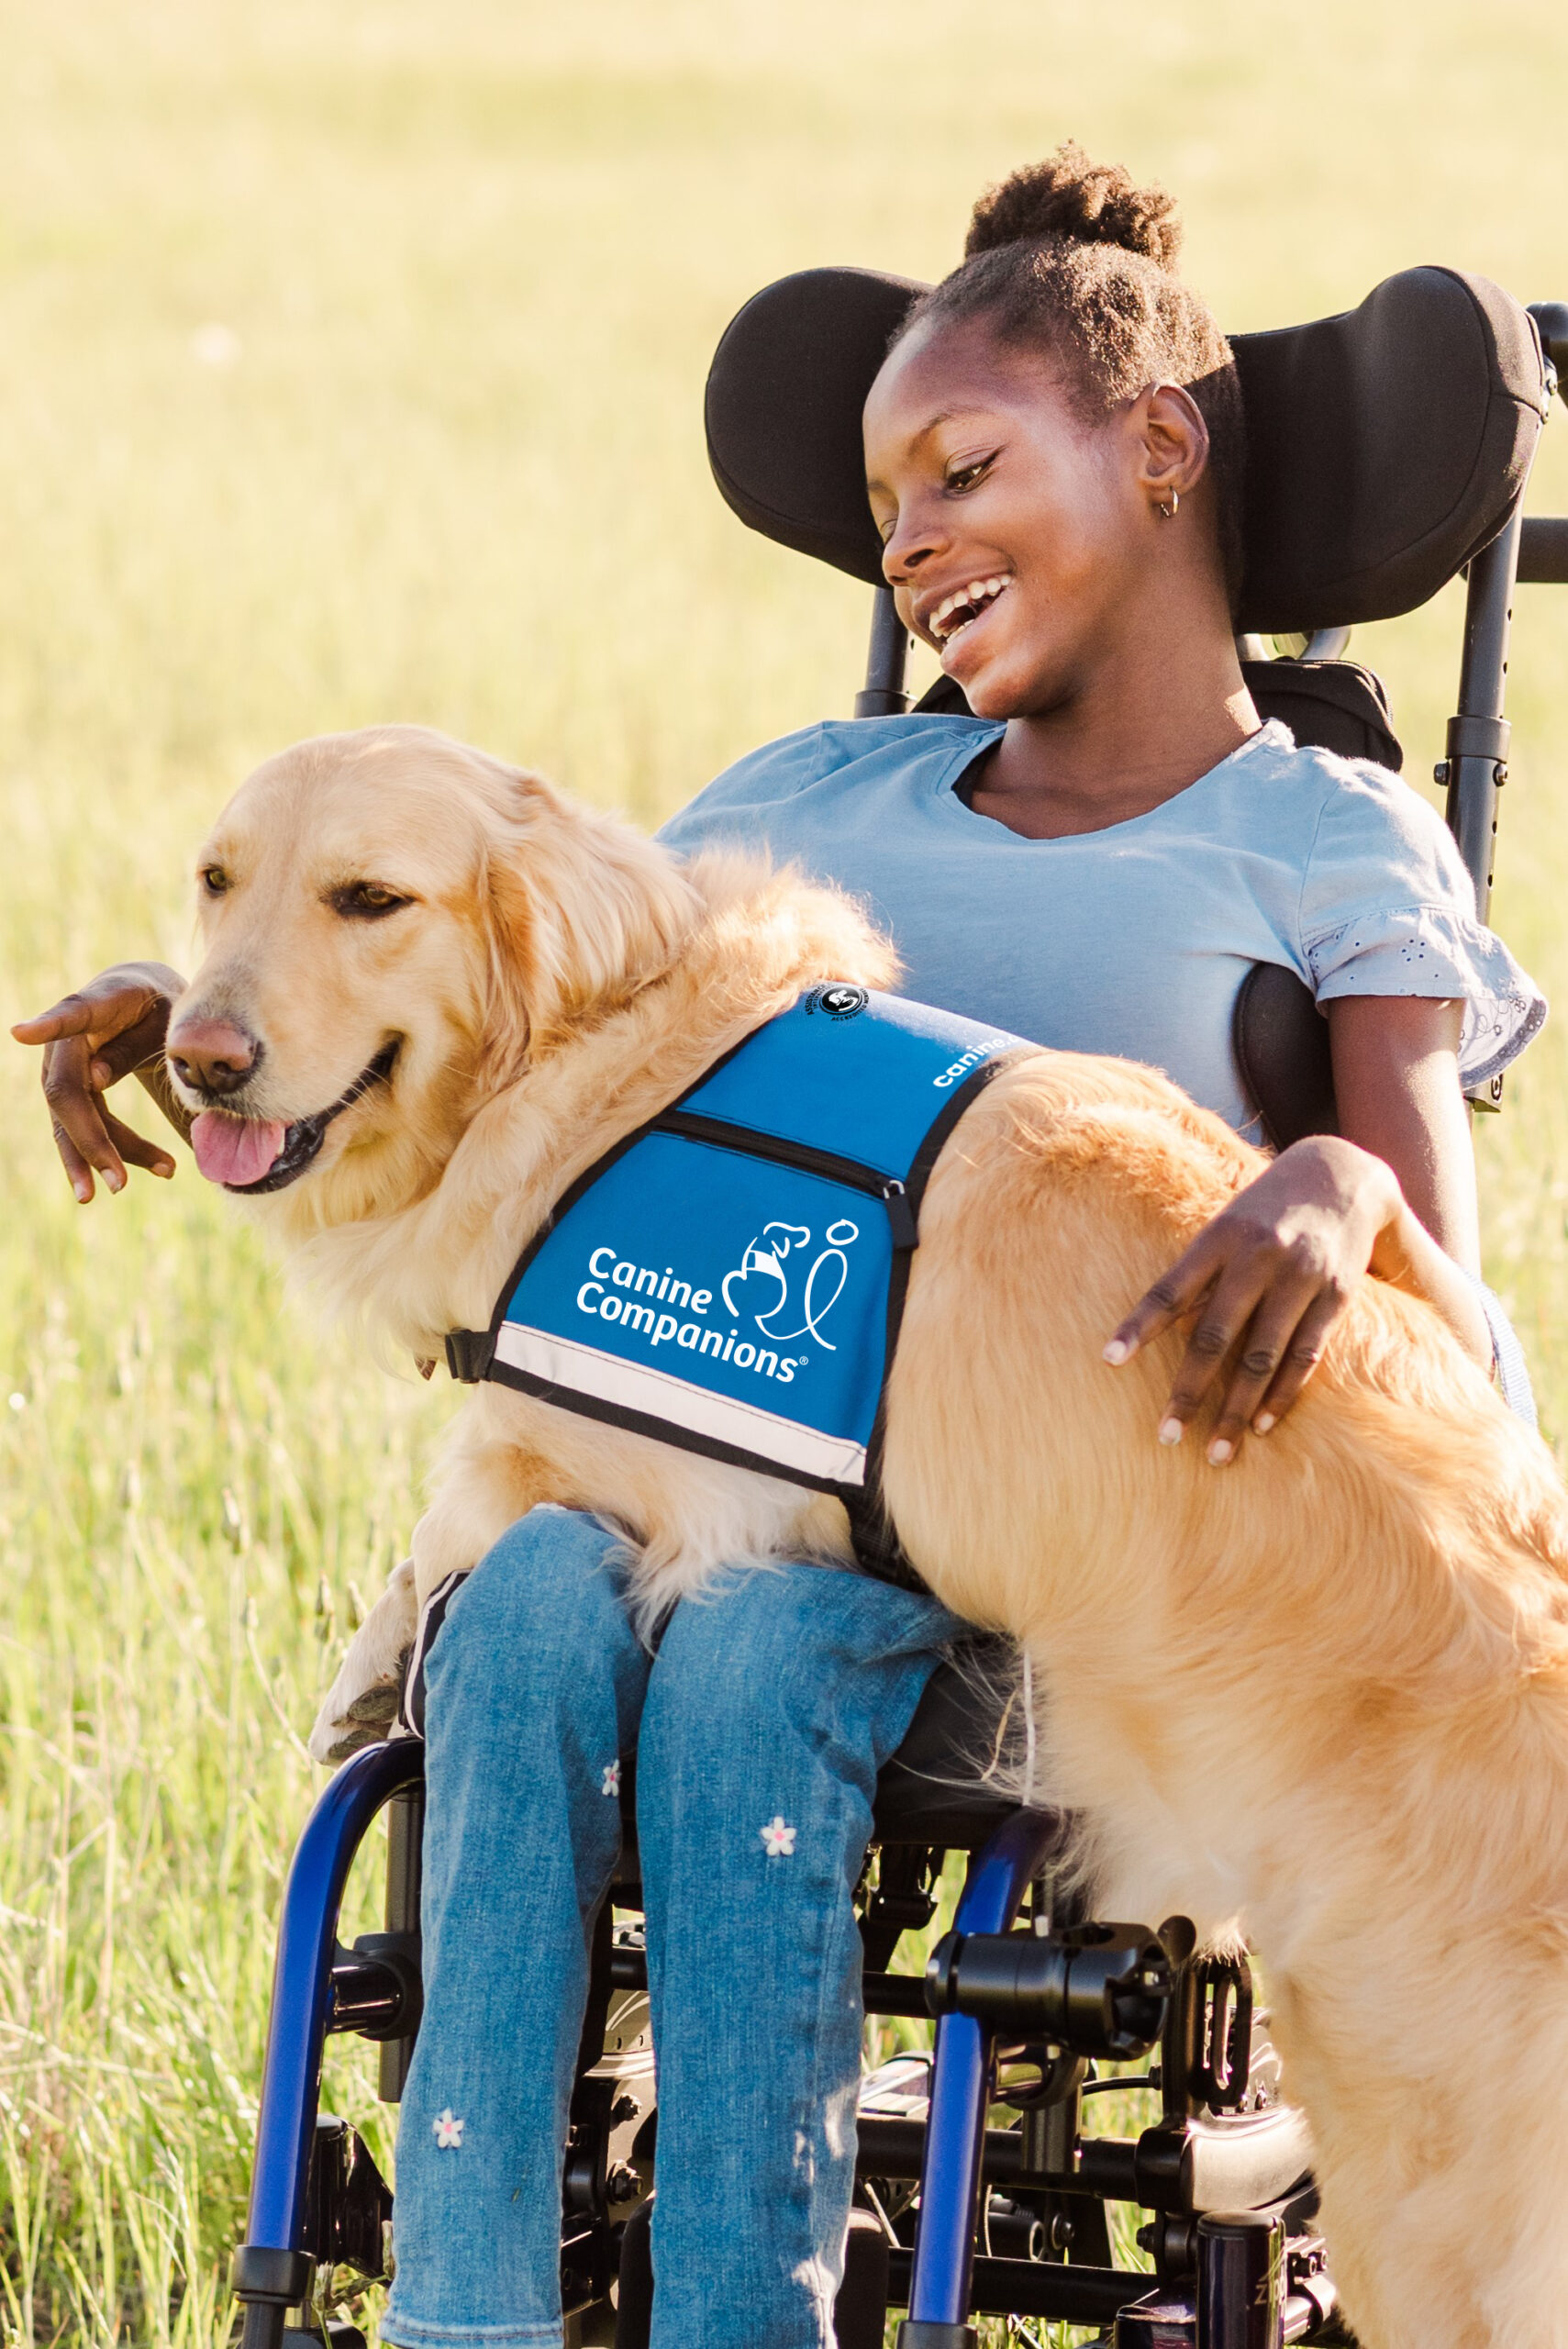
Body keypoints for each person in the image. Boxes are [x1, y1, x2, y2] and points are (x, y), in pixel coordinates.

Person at [14, 148, 1543, 2349]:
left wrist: (1344, 1184)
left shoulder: (1321, 829)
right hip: (709, 1424)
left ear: (1166, 455)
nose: (908, 535)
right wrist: (201, 1026)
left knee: (737, 1659)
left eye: (961, 469)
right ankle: (470, 2306)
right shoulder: (804, 796)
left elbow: (1436, 1279)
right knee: (526, 1599)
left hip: (1021, 1506)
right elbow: (530, 1021)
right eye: (883, 496)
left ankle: (741, 2307)